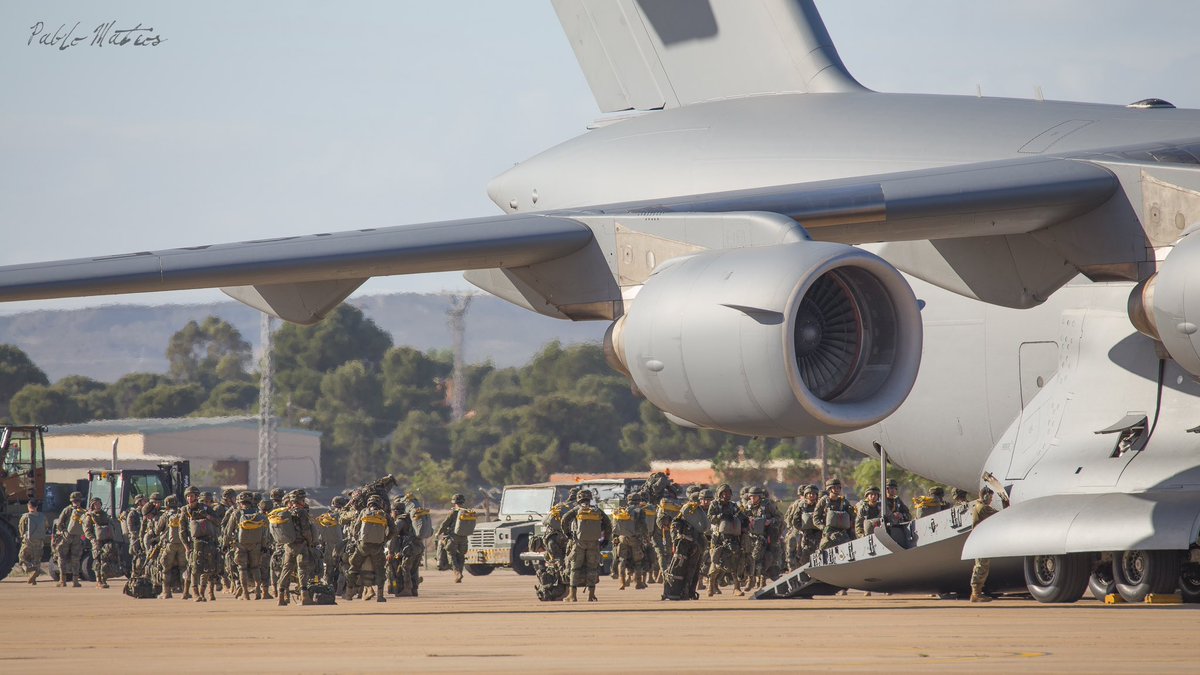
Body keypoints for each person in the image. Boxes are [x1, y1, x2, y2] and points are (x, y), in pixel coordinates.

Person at [560, 489, 611, 602]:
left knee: (575, 568)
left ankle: (573, 596)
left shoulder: (577, 509)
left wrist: (568, 534)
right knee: (592, 568)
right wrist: (605, 540)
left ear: (579, 498)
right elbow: (608, 524)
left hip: (579, 543)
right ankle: (591, 595)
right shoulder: (597, 510)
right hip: (594, 543)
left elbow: (564, 520)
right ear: (590, 498)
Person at [663, 488, 712, 600]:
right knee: (680, 567)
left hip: (697, 544)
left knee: (694, 569)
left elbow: (705, 528)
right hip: (685, 543)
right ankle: (680, 591)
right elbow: (675, 525)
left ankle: (690, 591)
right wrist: (675, 540)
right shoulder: (686, 511)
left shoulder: (705, 511)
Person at [274, 489, 317, 605]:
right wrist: (311, 542)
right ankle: (305, 597)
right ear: (301, 500)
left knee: (286, 570)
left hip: (289, 546)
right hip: (301, 545)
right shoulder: (302, 512)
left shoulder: (287, 511)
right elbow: (306, 531)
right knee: (302, 569)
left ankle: (281, 597)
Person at [347, 494, 392, 603]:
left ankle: (348, 594)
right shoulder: (384, 514)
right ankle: (380, 596)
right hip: (377, 547)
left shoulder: (363, 512)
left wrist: (358, 539)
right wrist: (384, 539)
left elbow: (355, 528)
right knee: (380, 570)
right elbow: (393, 530)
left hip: (363, 546)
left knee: (353, 568)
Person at [225, 491, 269, 600]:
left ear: (240, 502)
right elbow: (265, 532)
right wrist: (264, 545)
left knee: (242, 569)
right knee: (255, 567)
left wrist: (225, 544)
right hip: (256, 545)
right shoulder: (259, 515)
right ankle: (258, 589)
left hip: (240, 545)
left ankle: (245, 593)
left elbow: (228, 531)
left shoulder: (236, 513)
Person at [969, 486, 1010, 602]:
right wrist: (1006, 504)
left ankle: (976, 593)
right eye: (990, 497)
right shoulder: (983, 508)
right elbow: (999, 516)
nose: (991, 500)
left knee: (982, 566)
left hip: (980, 540)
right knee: (981, 566)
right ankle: (976, 594)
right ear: (985, 496)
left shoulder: (979, 506)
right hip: (981, 541)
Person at [180, 485, 221, 602]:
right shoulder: (185, 511)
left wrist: (207, 516)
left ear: (196, 497)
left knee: (208, 568)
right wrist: (187, 546)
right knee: (194, 568)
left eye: (191, 496)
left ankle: (202, 592)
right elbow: (182, 531)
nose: (189, 498)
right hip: (194, 543)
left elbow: (218, 521)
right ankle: (195, 593)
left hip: (209, 542)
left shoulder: (206, 508)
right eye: (188, 496)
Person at [706, 483, 747, 596]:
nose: (726, 495)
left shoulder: (733, 506)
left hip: (733, 537)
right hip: (718, 538)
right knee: (716, 562)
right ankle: (710, 585)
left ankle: (736, 587)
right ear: (719, 494)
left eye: (728, 493)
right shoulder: (714, 504)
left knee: (735, 562)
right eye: (724, 493)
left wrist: (744, 521)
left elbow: (741, 516)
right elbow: (710, 518)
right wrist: (721, 516)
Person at [435, 493, 475, 583]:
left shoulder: (453, 512)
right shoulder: (467, 512)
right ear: (463, 502)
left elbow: (444, 524)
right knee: (461, 556)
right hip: (464, 538)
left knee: (451, 556)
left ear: (454, 502)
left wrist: (438, 533)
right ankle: (459, 573)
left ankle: (457, 573)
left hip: (453, 538)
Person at [611, 493, 646, 590]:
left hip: (622, 538)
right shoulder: (640, 511)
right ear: (638, 500)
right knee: (638, 562)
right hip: (635, 539)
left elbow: (614, 525)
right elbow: (644, 526)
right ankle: (638, 583)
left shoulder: (621, 510)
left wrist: (615, 537)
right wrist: (646, 538)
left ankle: (622, 583)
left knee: (622, 560)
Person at [81, 497, 118, 589]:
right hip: (97, 541)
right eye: (95, 504)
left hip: (107, 540)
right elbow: (87, 531)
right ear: (92, 506)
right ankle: (99, 580)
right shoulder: (89, 516)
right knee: (98, 561)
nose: (98, 506)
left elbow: (112, 525)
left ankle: (104, 579)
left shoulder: (105, 515)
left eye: (99, 504)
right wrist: (93, 540)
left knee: (106, 560)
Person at [156, 495, 188, 599]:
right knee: (183, 568)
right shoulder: (183, 513)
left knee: (166, 569)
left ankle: (166, 592)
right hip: (183, 545)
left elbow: (158, 530)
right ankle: (185, 591)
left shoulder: (165, 515)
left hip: (169, 545)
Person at [54, 491, 87, 588]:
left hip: (66, 537)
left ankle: (62, 580)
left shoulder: (67, 510)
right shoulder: (83, 511)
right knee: (75, 558)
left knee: (62, 557)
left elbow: (59, 524)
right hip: (77, 537)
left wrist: (64, 532)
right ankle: (75, 581)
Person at [814, 478, 855, 550]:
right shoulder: (824, 501)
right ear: (829, 489)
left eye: (838, 487)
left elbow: (852, 517)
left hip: (843, 533)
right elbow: (816, 518)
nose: (837, 489)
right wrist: (823, 527)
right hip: (828, 533)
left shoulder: (844, 501)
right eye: (834, 487)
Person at [18, 500, 48, 584]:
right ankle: (34, 578)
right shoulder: (42, 516)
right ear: (36, 507)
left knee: (22, 559)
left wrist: (22, 536)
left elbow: (21, 529)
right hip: (39, 542)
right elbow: (46, 526)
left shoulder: (25, 516)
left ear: (28, 506)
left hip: (28, 542)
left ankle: (30, 570)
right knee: (36, 560)